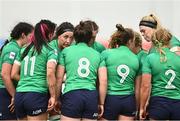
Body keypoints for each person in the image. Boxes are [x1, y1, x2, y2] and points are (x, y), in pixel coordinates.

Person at [56, 21, 107, 121]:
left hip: (72, 94)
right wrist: (101, 103)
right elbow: (103, 81)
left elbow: (59, 78)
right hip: (91, 96)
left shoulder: (66, 51)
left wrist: (57, 98)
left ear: (75, 37)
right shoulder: (97, 54)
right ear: (89, 38)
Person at [11, 19, 57, 120]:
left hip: (20, 95)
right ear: (49, 34)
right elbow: (50, 73)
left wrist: (27, 81)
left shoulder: (23, 49)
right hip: (36, 95)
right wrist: (53, 96)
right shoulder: (50, 50)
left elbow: (13, 74)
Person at [101, 24, 140, 121]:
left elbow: (102, 80)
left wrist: (100, 102)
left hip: (110, 99)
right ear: (130, 41)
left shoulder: (106, 54)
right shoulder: (136, 58)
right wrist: (137, 108)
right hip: (129, 100)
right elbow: (138, 89)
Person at [139, 28, 180, 120]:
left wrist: (142, 107)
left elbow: (145, 86)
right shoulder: (178, 58)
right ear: (169, 41)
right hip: (177, 102)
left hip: (158, 102)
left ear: (154, 41)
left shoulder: (150, 58)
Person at [0, 22, 34, 120]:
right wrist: (14, 95)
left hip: (11, 91)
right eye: (31, 36)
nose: (32, 40)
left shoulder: (18, 48)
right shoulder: (12, 48)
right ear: (23, 35)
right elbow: (5, 74)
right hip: (6, 91)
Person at [48, 22, 74, 121]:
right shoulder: (51, 48)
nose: (68, 41)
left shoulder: (66, 49)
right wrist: (55, 97)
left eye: (71, 38)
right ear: (58, 36)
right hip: (46, 89)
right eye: (65, 37)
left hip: (54, 88)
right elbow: (50, 74)